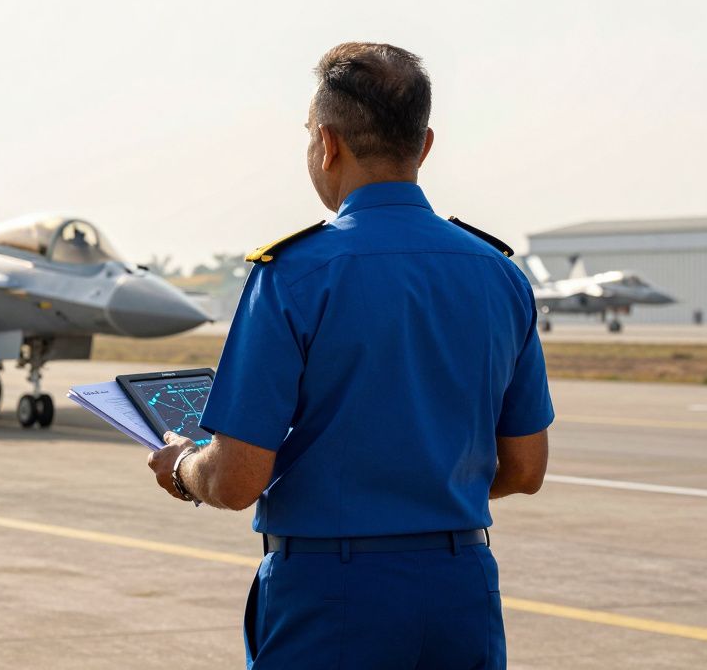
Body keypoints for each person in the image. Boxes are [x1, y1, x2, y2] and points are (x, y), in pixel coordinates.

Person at [147, 42, 554, 669]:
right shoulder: (498, 273)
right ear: (423, 145)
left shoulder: (295, 273)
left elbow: (235, 480)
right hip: (462, 586)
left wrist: (182, 468)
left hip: (331, 594)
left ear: (328, 144)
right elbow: (525, 470)